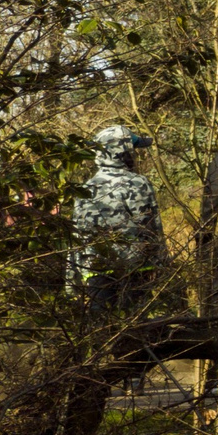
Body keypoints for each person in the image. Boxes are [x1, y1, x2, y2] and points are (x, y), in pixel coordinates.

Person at [72, 125, 162, 314]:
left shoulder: (84, 188)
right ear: (124, 152)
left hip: (95, 275)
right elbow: (151, 230)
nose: (137, 155)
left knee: (103, 332)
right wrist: (161, 266)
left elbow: (76, 239)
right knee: (137, 330)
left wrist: (72, 282)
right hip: (133, 272)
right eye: (134, 150)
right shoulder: (137, 183)